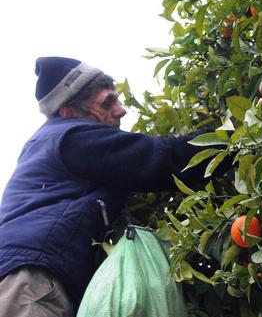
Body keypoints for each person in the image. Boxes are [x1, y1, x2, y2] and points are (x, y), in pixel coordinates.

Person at [0, 56, 230, 317]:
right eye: (108, 102)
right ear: (68, 112)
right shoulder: (72, 138)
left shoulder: (49, 143)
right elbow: (161, 159)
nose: (121, 110)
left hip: (31, 278)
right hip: (28, 282)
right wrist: (235, 140)